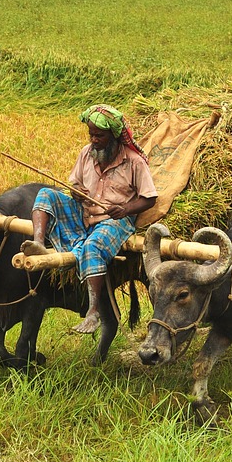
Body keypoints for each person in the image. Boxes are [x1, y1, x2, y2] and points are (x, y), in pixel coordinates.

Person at [24, 105, 158, 334]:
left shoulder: (134, 162)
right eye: (91, 134)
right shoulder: (87, 153)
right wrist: (76, 191)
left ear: (114, 136)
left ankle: (93, 311)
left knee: (92, 247)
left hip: (114, 220)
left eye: (100, 135)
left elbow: (149, 199)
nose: (94, 140)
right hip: (84, 212)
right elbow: (75, 182)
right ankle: (38, 243)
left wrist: (125, 209)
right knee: (46, 194)